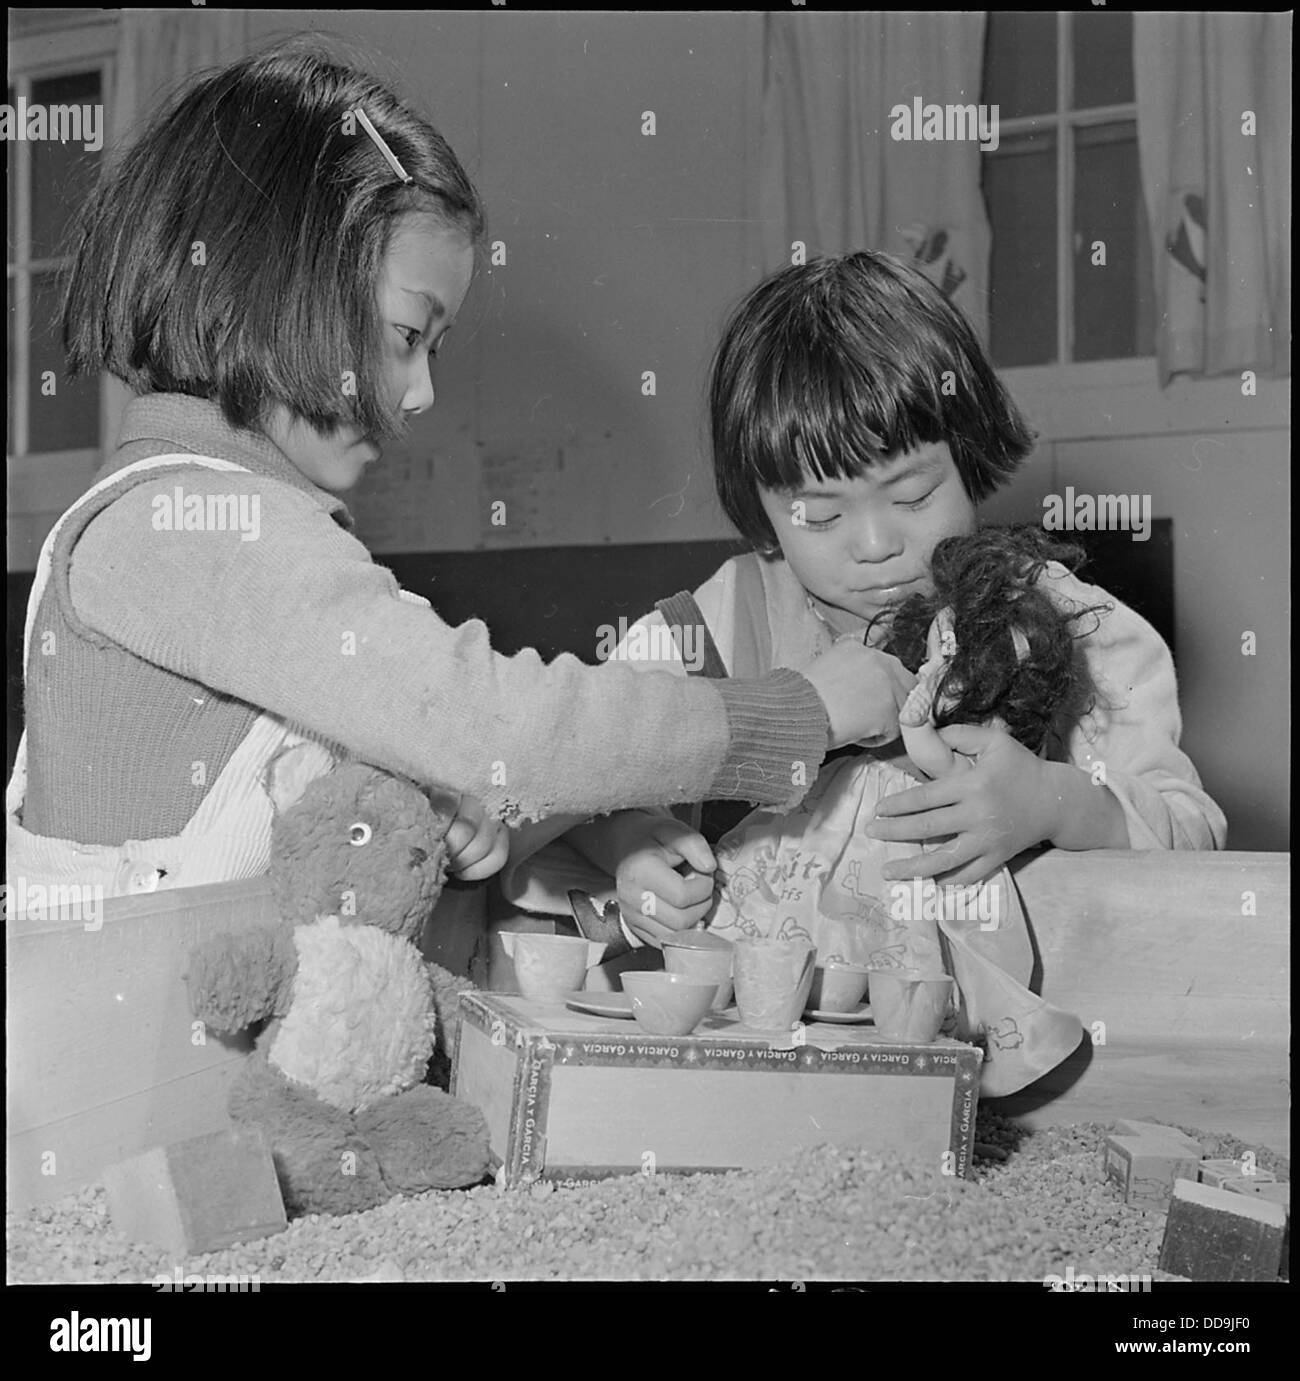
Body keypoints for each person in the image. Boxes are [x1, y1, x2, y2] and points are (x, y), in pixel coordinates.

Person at [5, 45, 909, 900]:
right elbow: (486, 719)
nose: (425, 391)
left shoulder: (247, 528)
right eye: (408, 335)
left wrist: (430, 805)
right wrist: (792, 715)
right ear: (283, 278)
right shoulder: (182, 527)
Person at [503, 251, 1228, 971]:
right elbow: (533, 800)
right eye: (820, 516)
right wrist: (627, 840)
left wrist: (1057, 801)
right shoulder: (705, 638)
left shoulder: (1076, 629)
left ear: (969, 454)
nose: (878, 545)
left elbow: (1194, 837)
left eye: (913, 496)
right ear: (758, 505)